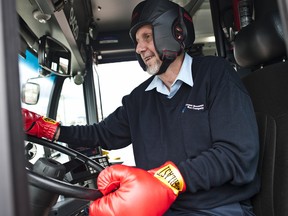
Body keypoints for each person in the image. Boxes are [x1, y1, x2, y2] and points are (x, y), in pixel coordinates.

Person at [22, 0, 260, 215]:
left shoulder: (216, 75)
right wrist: (50, 129)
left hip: (217, 208)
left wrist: (166, 180)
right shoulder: (140, 99)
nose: (139, 48)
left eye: (147, 37)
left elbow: (236, 154)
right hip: (160, 209)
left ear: (174, 32)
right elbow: (101, 133)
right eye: (137, 41)